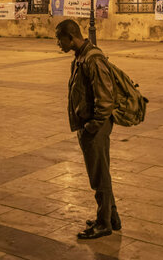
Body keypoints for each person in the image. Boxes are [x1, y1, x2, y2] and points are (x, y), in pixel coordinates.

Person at [55, 19, 120, 239]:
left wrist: (92, 126)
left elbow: (105, 98)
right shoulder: (81, 57)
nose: (58, 44)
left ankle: (103, 224)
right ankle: (111, 217)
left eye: (59, 39)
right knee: (101, 173)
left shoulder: (93, 59)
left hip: (96, 127)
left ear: (71, 37)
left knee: (99, 176)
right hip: (90, 124)